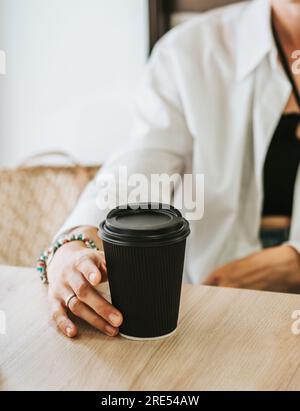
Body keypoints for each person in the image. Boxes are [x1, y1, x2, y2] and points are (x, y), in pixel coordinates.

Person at [45, 0, 300, 338]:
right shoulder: (190, 51)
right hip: (212, 305)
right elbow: (142, 163)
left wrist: (294, 262)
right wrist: (75, 242)